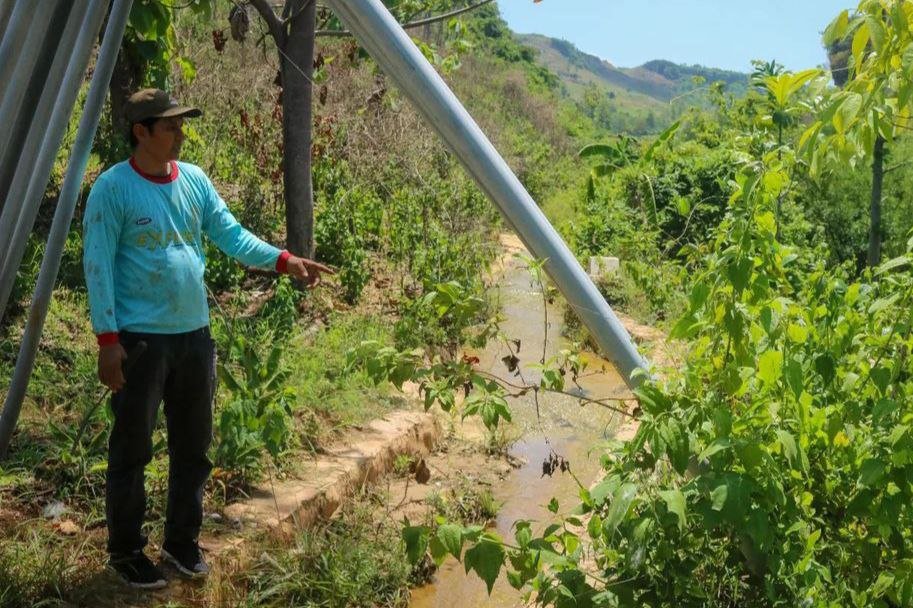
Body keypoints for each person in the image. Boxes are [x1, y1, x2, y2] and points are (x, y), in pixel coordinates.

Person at [82, 88, 333, 589]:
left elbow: (231, 235)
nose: (180, 133)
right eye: (170, 126)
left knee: (193, 447)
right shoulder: (112, 189)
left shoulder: (194, 180)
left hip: (194, 338)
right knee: (132, 448)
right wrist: (108, 341)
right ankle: (126, 551)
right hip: (140, 342)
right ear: (141, 132)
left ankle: (181, 543)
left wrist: (285, 261)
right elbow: (98, 266)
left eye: (181, 124)